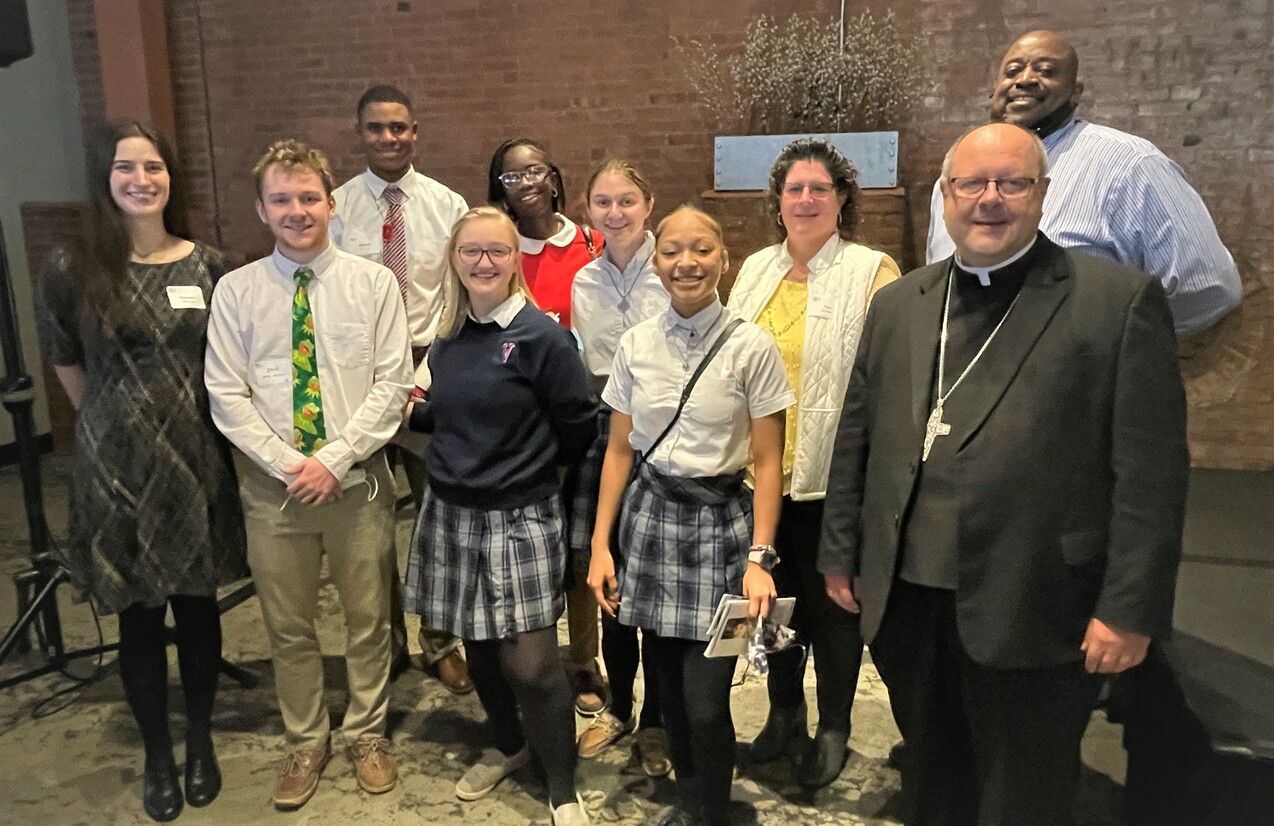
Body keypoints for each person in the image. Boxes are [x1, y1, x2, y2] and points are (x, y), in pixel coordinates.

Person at [820, 122, 1189, 826]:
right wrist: (841, 553)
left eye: (1012, 183)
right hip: (909, 599)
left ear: (1042, 195)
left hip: (1039, 601)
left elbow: (1151, 475)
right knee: (930, 773)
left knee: (1023, 793)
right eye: (972, 184)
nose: (990, 199)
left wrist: (1129, 609)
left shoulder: (1115, 302)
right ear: (946, 196)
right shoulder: (902, 304)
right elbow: (858, 438)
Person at [34, 120, 248, 823]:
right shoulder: (73, 268)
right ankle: (157, 751)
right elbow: (65, 360)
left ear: (169, 177)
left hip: (194, 459)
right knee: (137, 613)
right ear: (106, 178)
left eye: (153, 167)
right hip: (116, 465)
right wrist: (114, 421)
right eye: (126, 168)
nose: (140, 179)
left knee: (195, 605)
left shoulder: (211, 267)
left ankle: (198, 743)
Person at [205, 139, 412, 810]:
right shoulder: (237, 292)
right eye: (281, 200)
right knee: (288, 625)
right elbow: (225, 394)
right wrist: (292, 465)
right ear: (262, 210)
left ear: (331, 202)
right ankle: (305, 738)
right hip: (274, 489)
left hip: (355, 481)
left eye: (307, 198)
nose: (296, 211)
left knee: (368, 617)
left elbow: (392, 383)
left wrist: (333, 458)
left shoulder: (372, 283)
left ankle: (367, 732)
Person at [589, 206, 795, 826]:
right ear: (658, 264)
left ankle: (711, 810)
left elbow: (767, 462)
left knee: (706, 700)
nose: (687, 262)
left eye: (702, 249)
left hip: (721, 528)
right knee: (668, 693)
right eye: (674, 251)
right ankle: (692, 804)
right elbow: (620, 451)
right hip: (651, 522)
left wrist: (761, 558)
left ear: (723, 260)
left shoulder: (752, 346)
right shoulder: (636, 344)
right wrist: (601, 545)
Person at [401, 206, 596, 826]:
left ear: (515, 260)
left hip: (521, 514)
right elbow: (447, 409)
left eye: (497, 252)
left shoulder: (542, 337)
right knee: (480, 644)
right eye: (471, 252)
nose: (483, 263)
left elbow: (579, 426)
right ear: (454, 262)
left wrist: (528, 470)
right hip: (454, 511)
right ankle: (509, 745)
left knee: (533, 663)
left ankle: (562, 787)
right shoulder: (450, 336)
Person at [727, 138, 900, 788]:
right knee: (772, 607)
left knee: (832, 614)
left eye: (818, 189)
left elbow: (890, 377)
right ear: (777, 203)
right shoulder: (753, 270)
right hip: (757, 479)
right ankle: (782, 715)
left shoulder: (871, 269)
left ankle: (833, 726)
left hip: (834, 479)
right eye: (793, 190)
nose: (804, 200)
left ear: (841, 199)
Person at [925, 29, 1242, 338]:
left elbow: (1208, 289)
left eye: (1046, 70)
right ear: (995, 88)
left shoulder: (1128, 164)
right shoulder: (958, 171)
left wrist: (1113, 343)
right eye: (1013, 70)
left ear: (1075, 92)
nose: (1024, 79)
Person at [330, 83, 472, 694]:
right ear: (359, 133)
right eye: (376, 128)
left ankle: (441, 641)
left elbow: (462, 291)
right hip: (360, 382)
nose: (389, 138)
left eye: (400, 128)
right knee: (368, 527)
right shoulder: (333, 208)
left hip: (427, 374)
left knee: (439, 519)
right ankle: (383, 645)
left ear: (416, 132)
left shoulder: (447, 205)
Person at [487, 137, 606, 714]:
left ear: (555, 177)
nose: (526, 183)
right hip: (518, 425)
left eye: (534, 171)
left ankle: (583, 663)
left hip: (579, 416)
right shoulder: (497, 250)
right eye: (511, 177)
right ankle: (528, 660)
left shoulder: (590, 243)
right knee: (529, 548)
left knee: (581, 549)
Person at [569, 160, 671, 774]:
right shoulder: (584, 280)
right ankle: (620, 704)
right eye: (602, 203)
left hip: (667, 440)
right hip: (606, 438)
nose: (615, 212)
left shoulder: (674, 267)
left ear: (648, 203)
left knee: (654, 588)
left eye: (626, 200)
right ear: (588, 212)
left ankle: (657, 717)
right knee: (607, 580)